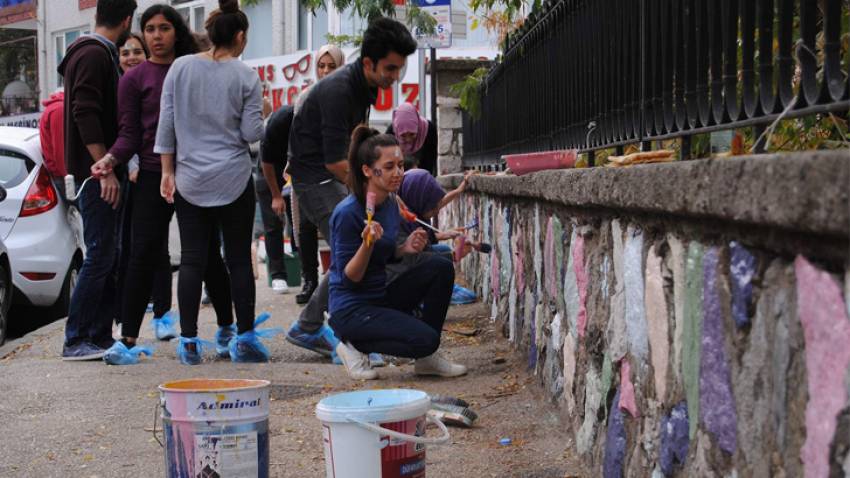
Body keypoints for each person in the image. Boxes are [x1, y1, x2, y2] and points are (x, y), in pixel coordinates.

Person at [95, 4, 239, 365]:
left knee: (206, 257)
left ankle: (227, 328)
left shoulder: (194, 67)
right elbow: (129, 134)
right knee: (140, 253)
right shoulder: (133, 79)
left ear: (177, 31)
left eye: (163, 28)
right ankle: (127, 337)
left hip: (194, 172)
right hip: (149, 174)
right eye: (150, 29)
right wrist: (110, 159)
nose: (156, 36)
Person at [285, 17, 417, 359]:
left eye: (399, 69)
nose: (394, 77)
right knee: (353, 250)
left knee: (373, 243)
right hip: (315, 179)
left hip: (334, 175)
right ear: (369, 62)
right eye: (390, 68)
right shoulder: (338, 90)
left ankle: (326, 325)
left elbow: (354, 150)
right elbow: (334, 161)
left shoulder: (363, 86)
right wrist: (377, 190)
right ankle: (313, 326)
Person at [155, 0, 271, 364]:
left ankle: (189, 342)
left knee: (191, 260)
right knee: (237, 260)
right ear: (239, 36)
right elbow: (252, 133)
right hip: (233, 178)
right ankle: (246, 338)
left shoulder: (180, 67)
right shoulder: (246, 76)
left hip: (189, 178)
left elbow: (166, 123)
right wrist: (262, 110)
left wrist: (167, 171)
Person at [328, 126, 466, 380]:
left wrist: (404, 248)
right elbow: (350, 278)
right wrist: (366, 244)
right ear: (367, 170)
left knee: (440, 266)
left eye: (401, 165)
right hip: (352, 310)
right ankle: (354, 346)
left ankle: (426, 361)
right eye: (389, 166)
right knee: (427, 340)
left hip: (380, 295)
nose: (398, 173)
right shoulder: (347, 214)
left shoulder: (390, 203)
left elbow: (386, 255)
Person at [58, 0, 137, 361]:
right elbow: (84, 112)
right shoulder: (92, 55)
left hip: (98, 171)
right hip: (95, 174)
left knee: (109, 254)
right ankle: (76, 339)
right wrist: (104, 167)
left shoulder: (92, 53)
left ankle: (100, 336)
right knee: (101, 254)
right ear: (127, 20)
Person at [289, 43, 345, 305]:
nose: (325, 71)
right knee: (305, 227)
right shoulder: (305, 97)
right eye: (321, 66)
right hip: (305, 170)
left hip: (335, 171)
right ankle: (309, 280)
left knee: (340, 224)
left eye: (331, 66)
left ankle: (337, 281)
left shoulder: (348, 96)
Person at [256, 106, 294, 295]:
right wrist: (276, 195)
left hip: (295, 173)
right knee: (273, 224)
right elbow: (266, 161)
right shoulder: (279, 122)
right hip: (269, 172)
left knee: (300, 223)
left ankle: (304, 270)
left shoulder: (314, 119)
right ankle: (278, 274)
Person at [386, 102, 438, 175]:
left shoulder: (428, 130)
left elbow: (430, 161)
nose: (408, 139)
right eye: (403, 135)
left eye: (412, 134)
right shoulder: (391, 133)